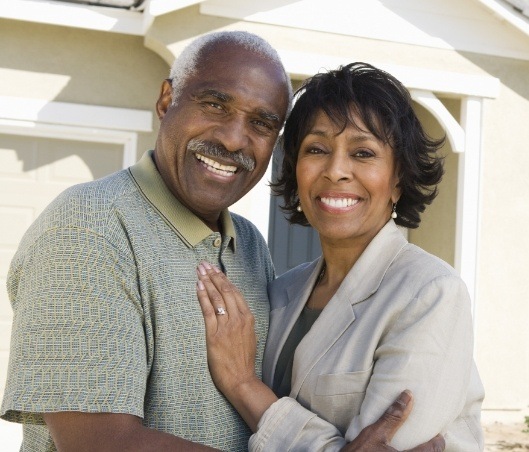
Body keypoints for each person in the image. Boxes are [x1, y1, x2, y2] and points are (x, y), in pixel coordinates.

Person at [0, 33, 443, 451]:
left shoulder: (248, 244)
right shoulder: (88, 228)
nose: (233, 138)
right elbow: (101, 444)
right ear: (166, 100)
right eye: (215, 104)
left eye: (262, 123)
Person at [196, 62, 485, 450]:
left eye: (363, 153)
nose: (336, 171)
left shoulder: (430, 294)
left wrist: (244, 385)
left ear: (398, 177)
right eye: (316, 149)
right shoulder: (281, 292)